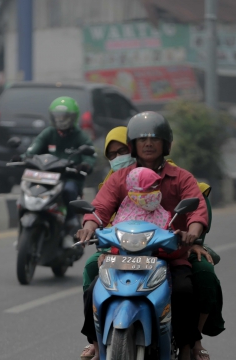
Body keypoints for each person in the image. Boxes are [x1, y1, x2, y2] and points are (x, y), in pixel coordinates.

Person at [80, 126, 223, 360]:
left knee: (184, 291)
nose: (148, 143)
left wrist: (193, 234)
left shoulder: (181, 177)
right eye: (142, 139)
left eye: (154, 139)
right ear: (133, 145)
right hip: (123, 253)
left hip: (167, 254)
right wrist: (89, 227)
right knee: (94, 288)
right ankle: (96, 342)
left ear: (166, 144)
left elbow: (196, 207)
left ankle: (188, 346)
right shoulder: (119, 178)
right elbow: (101, 207)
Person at [20, 96, 96, 229]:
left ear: (73, 118)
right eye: (57, 117)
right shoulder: (49, 133)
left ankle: (71, 220)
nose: (60, 120)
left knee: (69, 190)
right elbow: (33, 149)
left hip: (70, 177)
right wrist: (22, 158)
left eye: (65, 117)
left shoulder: (80, 136)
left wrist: (85, 164)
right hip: (47, 176)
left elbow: (90, 155)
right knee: (28, 187)